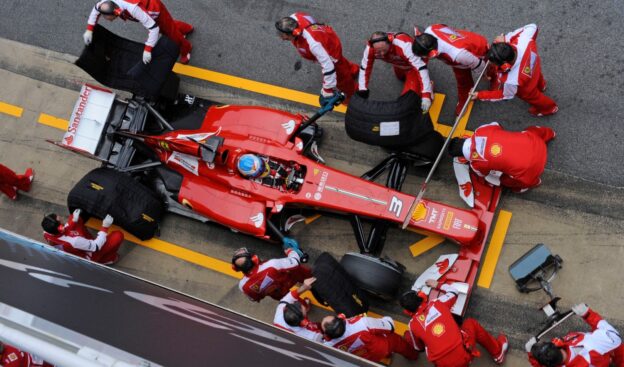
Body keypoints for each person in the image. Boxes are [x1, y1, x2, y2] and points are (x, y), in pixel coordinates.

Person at [401, 279, 508, 367]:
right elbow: (453, 291)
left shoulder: (412, 325)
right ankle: (498, 353)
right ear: (422, 296)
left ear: (407, 312)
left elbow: (418, 348)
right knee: (470, 323)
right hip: (464, 354)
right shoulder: (438, 303)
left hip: (443, 364)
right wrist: (437, 284)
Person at [471, 24, 558, 117]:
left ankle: (550, 108)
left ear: (504, 65)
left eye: (494, 63)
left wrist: (480, 95)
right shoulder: (524, 40)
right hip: (535, 67)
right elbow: (533, 27)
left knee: (535, 98)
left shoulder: (511, 81)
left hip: (527, 88)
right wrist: (506, 38)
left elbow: (505, 95)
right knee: (537, 77)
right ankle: (542, 86)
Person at [275, 12, 359, 105]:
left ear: (293, 34)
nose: (281, 37)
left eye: (284, 35)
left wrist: (327, 90)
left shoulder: (313, 44)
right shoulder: (295, 17)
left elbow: (328, 67)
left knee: (341, 78)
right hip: (329, 39)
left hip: (330, 53)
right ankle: (353, 70)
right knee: (341, 62)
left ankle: (353, 94)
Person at [448, 122, 555, 193]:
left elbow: (485, 175)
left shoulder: (476, 164)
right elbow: (497, 125)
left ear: (461, 156)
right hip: (535, 141)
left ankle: (534, 183)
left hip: (532, 168)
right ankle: (551, 133)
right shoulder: (481, 130)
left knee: (505, 180)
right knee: (529, 131)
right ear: (463, 138)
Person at [84, 0, 194, 64]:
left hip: (154, 11)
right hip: (145, 10)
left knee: (170, 33)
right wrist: (89, 29)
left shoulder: (133, 10)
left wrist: (148, 49)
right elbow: (96, 10)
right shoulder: (105, 3)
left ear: (116, 13)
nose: (107, 20)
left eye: (107, 18)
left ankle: (186, 49)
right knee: (168, 25)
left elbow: (153, 28)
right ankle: (186, 28)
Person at [412, 24, 489, 115]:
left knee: (489, 71)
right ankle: (464, 100)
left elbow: (480, 65)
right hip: (467, 40)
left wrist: (484, 75)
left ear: (433, 53)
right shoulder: (431, 29)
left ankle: (494, 80)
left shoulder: (458, 55)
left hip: (478, 51)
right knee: (463, 83)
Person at [526, 303, 624, 367]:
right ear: (556, 347)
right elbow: (613, 335)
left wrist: (531, 354)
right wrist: (587, 314)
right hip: (602, 356)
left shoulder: (550, 361)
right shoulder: (591, 348)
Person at [357, 31, 433, 113]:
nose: (382, 54)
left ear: (390, 42)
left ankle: (430, 86)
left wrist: (426, 94)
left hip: (413, 68)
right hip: (398, 64)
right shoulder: (371, 49)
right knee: (400, 78)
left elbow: (421, 68)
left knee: (407, 102)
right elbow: (364, 68)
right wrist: (362, 89)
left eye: (384, 50)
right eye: (378, 51)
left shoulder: (404, 46)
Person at [232, 240, 312, 302]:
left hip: (277, 293)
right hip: (290, 278)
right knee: (306, 275)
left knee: (290, 301)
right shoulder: (271, 265)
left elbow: (254, 299)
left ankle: (304, 306)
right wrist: (291, 251)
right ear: (254, 259)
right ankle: (315, 284)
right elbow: (294, 262)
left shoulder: (243, 286)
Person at [320, 313, 419, 363]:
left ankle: (388, 355)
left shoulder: (328, 345)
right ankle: (413, 356)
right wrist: (386, 319)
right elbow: (389, 326)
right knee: (400, 344)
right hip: (384, 345)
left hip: (367, 358)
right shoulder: (362, 323)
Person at [41, 209, 124, 265]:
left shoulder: (46, 232)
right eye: (59, 218)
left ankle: (90, 241)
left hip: (74, 250)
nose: (60, 217)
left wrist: (73, 221)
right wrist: (105, 227)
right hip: (88, 256)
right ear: (60, 227)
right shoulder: (74, 241)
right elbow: (96, 246)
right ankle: (107, 260)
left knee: (75, 218)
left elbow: (65, 229)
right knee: (117, 236)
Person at [273, 277, 323, 342]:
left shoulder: (281, 308)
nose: (297, 303)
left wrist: (304, 287)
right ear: (303, 322)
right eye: (304, 309)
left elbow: (291, 296)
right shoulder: (311, 336)